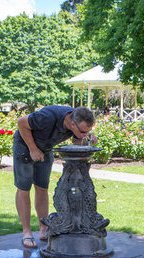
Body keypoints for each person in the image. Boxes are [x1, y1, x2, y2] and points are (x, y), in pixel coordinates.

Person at [12, 105, 98, 248]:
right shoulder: (47, 117)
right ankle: (26, 232)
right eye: (83, 131)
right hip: (25, 145)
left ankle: (44, 229)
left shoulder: (76, 120)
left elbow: (76, 140)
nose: (85, 134)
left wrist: (85, 138)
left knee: (42, 188)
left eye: (87, 131)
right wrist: (33, 149)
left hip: (45, 149)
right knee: (24, 188)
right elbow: (21, 122)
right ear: (72, 124)